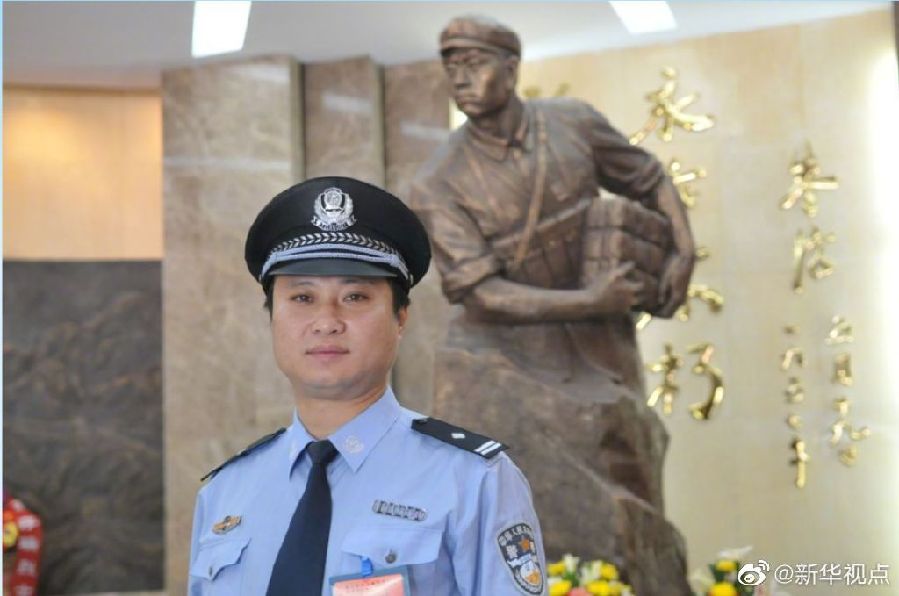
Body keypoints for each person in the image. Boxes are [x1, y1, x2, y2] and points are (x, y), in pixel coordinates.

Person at [407, 16, 694, 595]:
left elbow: (648, 177)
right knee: (510, 488)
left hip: (599, 338)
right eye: (451, 67)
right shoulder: (437, 181)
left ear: (511, 68)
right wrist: (589, 300)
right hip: (505, 349)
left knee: (629, 466)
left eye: (474, 64)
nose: (460, 79)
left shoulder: (572, 122)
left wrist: (684, 249)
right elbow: (483, 292)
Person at [188, 176, 547, 595]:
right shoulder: (226, 493)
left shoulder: (472, 479)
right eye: (302, 298)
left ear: (401, 318)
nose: (327, 322)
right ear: (271, 317)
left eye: (355, 297)